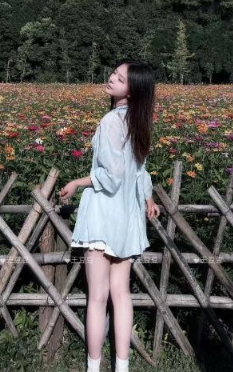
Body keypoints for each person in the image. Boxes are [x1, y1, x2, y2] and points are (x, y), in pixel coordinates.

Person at [59, 60, 160, 372]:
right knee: (122, 294)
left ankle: (93, 367)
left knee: (97, 297)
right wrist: (148, 197)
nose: (112, 78)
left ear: (132, 91)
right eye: (114, 74)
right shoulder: (138, 122)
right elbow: (139, 170)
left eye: (120, 78)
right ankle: (122, 367)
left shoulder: (110, 121)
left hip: (101, 219)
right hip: (127, 221)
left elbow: (112, 176)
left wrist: (78, 182)